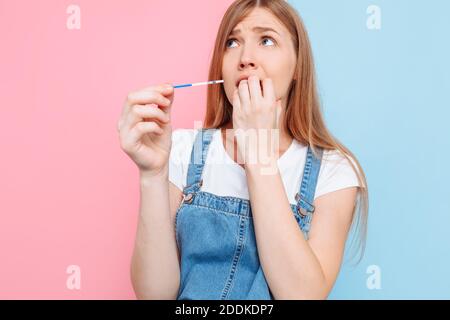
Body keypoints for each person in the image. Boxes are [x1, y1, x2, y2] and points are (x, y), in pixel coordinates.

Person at [118, 0, 369, 300]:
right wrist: (151, 174)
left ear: (297, 67)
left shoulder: (334, 171)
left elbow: (302, 295)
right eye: (232, 42)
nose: (245, 58)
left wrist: (258, 152)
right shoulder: (183, 151)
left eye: (266, 40)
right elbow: (154, 295)